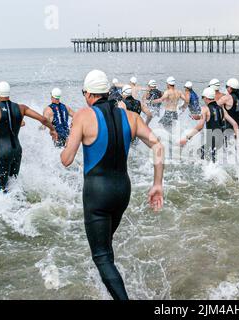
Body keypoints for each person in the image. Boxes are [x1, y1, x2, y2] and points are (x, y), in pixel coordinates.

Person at [60, 70, 164, 301]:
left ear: (88, 94)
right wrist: (157, 184)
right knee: (106, 245)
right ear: (107, 92)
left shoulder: (84, 115)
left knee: (102, 256)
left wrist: (69, 138)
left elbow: (66, 159)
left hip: (97, 194)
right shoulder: (130, 116)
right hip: (122, 192)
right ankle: (109, 289)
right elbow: (158, 146)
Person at [0, 82, 57, 192]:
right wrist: (53, 130)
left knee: (1, 186)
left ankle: (8, 208)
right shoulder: (21, 107)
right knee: (14, 182)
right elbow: (43, 119)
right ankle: (22, 205)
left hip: (2, 152)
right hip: (17, 151)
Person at [180, 87, 239, 162]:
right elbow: (234, 123)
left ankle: (208, 171)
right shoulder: (221, 108)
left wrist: (187, 137)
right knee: (212, 158)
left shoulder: (205, 109)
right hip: (221, 139)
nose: (203, 100)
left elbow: (200, 126)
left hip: (212, 139)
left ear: (206, 98)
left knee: (199, 153)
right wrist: (238, 140)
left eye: (203, 97)